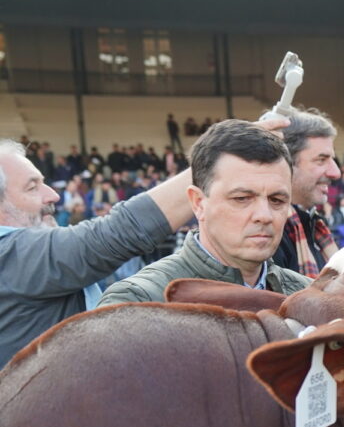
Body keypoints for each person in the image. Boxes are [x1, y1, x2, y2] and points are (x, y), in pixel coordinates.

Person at [0, 139, 197, 366]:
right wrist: (212, 166)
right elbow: (119, 233)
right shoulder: (11, 254)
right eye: (32, 187)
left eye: (44, 183)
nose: (53, 195)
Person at [99, 120, 309, 305]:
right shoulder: (138, 301)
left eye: (277, 200)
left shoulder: (309, 297)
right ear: (198, 203)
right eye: (242, 199)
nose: (264, 215)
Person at [272, 107, 341, 278]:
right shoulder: (267, 234)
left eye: (332, 160)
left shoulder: (316, 225)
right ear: (286, 163)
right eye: (321, 160)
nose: (336, 173)